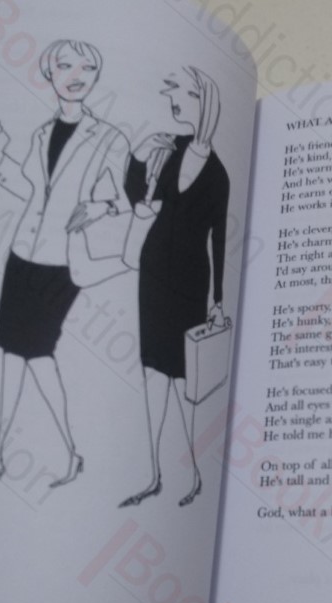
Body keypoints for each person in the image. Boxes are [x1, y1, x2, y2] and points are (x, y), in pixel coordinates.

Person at [0, 39, 130, 493]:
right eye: (65, 65)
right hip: (23, 255)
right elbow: (32, 190)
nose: (77, 74)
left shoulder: (110, 138)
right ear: (48, 73)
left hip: (61, 261)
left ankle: (66, 453)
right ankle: (3, 457)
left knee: (36, 352)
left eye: (87, 66)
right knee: (13, 354)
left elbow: (130, 197)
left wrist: (100, 206)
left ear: (97, 75)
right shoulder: (41, 134)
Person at [117, 66, 230, 507]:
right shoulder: (172, 146)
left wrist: (217, 299)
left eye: (181, 95)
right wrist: (140, 154)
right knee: (152, 371)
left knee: (184, 378)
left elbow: (219, 239)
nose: (173, 103)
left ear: (203, 101)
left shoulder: (219, 175)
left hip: (189, 280)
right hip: (153, 271)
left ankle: (193, 474)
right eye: (171, 96)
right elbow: (135, 197)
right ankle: (154, 474)